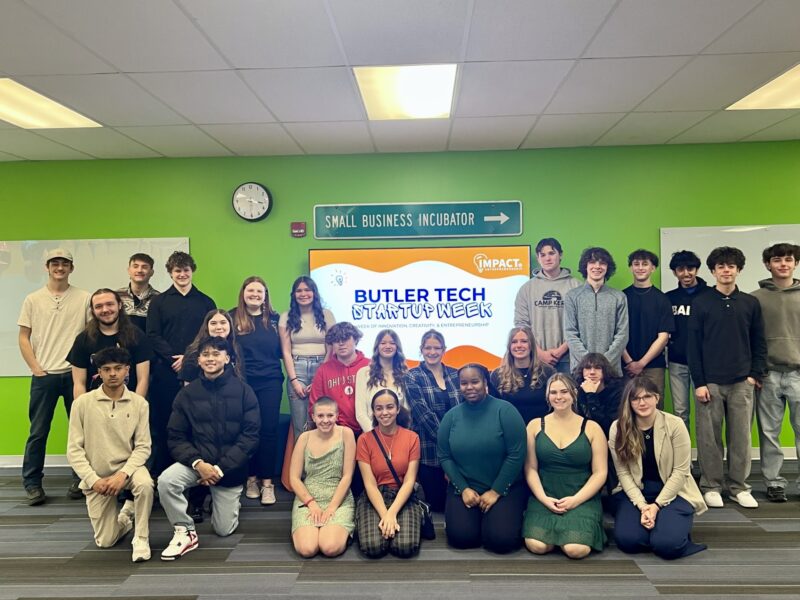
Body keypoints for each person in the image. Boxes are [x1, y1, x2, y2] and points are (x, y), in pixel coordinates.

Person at [158, 336, 260, 560]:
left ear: (227, 358)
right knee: (166, 481)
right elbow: (175, 436)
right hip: (197, 464)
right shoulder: (187, 394)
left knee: (224, 530)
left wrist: (219, 470)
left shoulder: (244, 392)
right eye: (205, 354)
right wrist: (198, 464)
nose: (210, 358)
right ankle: (184, 530)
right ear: (199, 360)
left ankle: (222, 500)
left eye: (216, 354)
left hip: (229, 470)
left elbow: (250, 437)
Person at [687, 246, 767, 509]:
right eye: (721, 266)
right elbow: (693, 346)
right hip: (709, 382)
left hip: (742, 381)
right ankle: (711, 485)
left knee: (741, 437)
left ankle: (739, 487)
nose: (726, 270)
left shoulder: (750, 303)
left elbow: (759, 342)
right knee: (709, 438)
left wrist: (754, 376)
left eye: (731, 266)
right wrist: (699, 382)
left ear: (738, 270)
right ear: (713, 271)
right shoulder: (700, 303)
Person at [67, 347, 153, 562]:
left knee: (145, 484)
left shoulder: (140, 404)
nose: (112, 374)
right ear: (99, 373)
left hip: (128, 470)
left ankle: (141, 537)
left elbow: (143, 447)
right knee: (105, 541)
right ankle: (125, 518)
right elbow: (74, 450)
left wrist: (122, 475)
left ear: (127, 370)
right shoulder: (82, 404)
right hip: (97, 476)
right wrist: (92, 480)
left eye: (118, 368)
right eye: (106, 369)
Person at [18, 248, 90, 505]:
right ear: (47, 267)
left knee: (80, 431)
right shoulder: (32, 299)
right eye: (55, 263)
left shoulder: (84, 298)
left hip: (75, 375)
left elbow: (90, 335)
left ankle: (80, 479)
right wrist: (36, 367)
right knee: (38, 432)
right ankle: (32, 483)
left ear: (72, 267)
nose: (59, 267)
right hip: (44, 375)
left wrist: (84, 368)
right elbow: (23, 336)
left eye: (65, 263)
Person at [609, 376, 707, 559]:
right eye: (635, 398)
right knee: (628, 541)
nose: (642, 402)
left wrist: (655, 507)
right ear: (629, 402)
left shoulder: (675, 425)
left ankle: (667, 530)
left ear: (657, 397)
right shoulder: (618, 428)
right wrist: (642, 505)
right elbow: (622, 472)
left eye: (647, 396)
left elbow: (680, 472)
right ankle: (659, 528)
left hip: (674, 491)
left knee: (667, 546)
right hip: (637, 492)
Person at [437, 364, 527, 553]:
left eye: (475, 382)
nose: (469, 387)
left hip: (502, 488)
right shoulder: (451, 416)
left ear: (485, 382)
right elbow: (444, 456)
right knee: (461, 539)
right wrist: (463, 489)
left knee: (501, 542)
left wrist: (496, 491)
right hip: (465, 489)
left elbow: (516, 454)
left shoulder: (505, 411)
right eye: (464, 383)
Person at [147, 251, 216, 477]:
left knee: (198, 423)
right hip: (165, 372)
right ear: (170, 273)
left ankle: (197, 475)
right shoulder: (158, 302)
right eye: (177, 270)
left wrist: (188, 358)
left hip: (198, 371)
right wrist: (173, 358)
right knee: (164, 423)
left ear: (192, 271)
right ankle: (163, 475)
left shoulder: (206, 302)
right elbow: (153, 334)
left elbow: (210, 334)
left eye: (186, 270)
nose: (182, 274)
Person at [523, 373, 607, 559]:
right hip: (545, 495)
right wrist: (544, 498)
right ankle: (556, 533)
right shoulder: (535, 426)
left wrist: (575, 500)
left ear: (574, 394)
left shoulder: (592, 428)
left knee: (576, 550)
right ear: (547, 396)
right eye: (553, 392)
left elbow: (600, 473)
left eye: (564, 391)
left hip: (581, 496)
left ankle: (570, 532)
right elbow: (530, 469)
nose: (558, 397)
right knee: (537, 546)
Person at [179, 308, 244, 522]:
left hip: (229, 416)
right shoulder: (193, 352)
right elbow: (187, 392)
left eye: (223, 323)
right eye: (214, 323)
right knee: (202, 454)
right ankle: (196, 502)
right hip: (201, 418)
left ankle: (223, 498)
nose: (219, 327)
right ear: (206, 327)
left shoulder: (236, 349)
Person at [751, 243, 800, 503]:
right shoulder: (755, 298)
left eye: (788, 259)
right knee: (769, 432)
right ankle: (774, 482)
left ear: (795, 263)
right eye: (777, 260)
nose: (783, 264)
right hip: (768, 374)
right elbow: (749, 338)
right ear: (768, 264)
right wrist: (756, 372)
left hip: (798, 374)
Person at [232, 276, 285, 506]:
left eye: (259, 291)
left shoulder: (275, 319)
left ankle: (267, 483)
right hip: (242, 382)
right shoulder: (232, 317)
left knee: (269, 431)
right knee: (247, 430)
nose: (255, 294)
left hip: (271, 381)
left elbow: (287, 350)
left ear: (265, 295)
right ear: (243, 293)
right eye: (250, 290)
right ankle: (250, 479)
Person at [355, 389, 422, 558]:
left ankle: (415, 516)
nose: (384, 412)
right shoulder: (364, 440)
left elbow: (409, 481)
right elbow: (369, 484)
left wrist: (392, 513)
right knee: (373, 547)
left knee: (405, 547)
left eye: (389, 407)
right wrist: (385, 515)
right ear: (374, 412)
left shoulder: (412, 437)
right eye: (379, 408)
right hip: (375, 496)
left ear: (398, 409)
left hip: (403, 496)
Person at [290, 397, 356, 558]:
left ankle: (335, 531)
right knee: (307, 549)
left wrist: (332, 507)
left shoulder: (346, 434)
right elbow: (294, 478)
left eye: (330, 415)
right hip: (308, 499)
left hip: (338, 498)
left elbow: (347, 476)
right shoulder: (304, 438)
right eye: (320, 416)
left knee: (329, 547)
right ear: (313, 417)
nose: (325, 420)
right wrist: (311, 504)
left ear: (337, 416)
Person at [405, 329, 461, 512]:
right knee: (438, 506)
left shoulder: (456, 375)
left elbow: (465, 411)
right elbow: (424, 416)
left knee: (460, 500)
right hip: (430, 453)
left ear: (444, 350)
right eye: (427, 348)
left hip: (461, 451)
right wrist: (450, 444)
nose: (432, 352)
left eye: (437, 348)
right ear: (421, 349)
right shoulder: (412, 376)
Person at [67, 288, 152, 399]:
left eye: (110, 304)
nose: (105, 310)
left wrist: (136, 408)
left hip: (129, 405)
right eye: (98, 306)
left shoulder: (137, 336)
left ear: (120, 305)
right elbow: (79, 384)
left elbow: (143, 380)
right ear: (92, 310)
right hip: (94, 407)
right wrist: (82, 411)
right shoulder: (83, 339)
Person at [279, 276, 336, 439]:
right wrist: (294, 381)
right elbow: (285, 351)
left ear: (314, 293)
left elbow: (331, 348)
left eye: (307, 290)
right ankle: (302, 465)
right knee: (301, 428)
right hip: (297, 369)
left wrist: (319, 377)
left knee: (324, 422)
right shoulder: (286, 316)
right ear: (294, 294)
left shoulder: (327, 315)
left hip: (322, 368)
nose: (303, 294)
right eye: (299, 291)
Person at [514, 238, 581, 373]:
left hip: (570, 358)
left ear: (560, 255)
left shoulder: (576, 286)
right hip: (537, 357)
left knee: (567, 394)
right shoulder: (527, 288)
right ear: (538, 258)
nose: (547, 258)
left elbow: (582, 324)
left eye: (551, 253)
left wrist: (561, 350)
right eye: (542, 255)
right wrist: (539, 352)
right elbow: (522, 324)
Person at [564, 247, 629, 377]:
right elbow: (570, 333)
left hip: (611, 371)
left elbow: (622, 334)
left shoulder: (619, 297)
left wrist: (603, 364)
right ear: (585, 266)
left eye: (602, 263)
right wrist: (587, 364)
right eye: (592, 262)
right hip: (580, 370)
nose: (597, 266)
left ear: (607, 268)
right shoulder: (572, 296)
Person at [665, 250, 708, 432]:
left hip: (705, 363)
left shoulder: (709, 296)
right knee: (680, 413)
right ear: (675, 272)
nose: (686, 273)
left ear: (696, 269)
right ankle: (684, 460)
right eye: (680, 269)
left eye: (690, 268)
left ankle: (707, 460)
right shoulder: (669, 298)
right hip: (677, 363)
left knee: (705, 412)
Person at [622, 249, 674, 398]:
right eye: (636, 264)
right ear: (631, 267)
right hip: (626, 366)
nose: (640, 268)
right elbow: (616, 334)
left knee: (654, 408)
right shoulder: (621, 297)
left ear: (653, 268)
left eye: (645, 264)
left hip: (654, 367)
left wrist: (641, 363)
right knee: (627, 408)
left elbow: (663, 337)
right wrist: (630, 362)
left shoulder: (662, 299)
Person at [308, 322, 370, 435]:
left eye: (345, 339)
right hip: (335, 430)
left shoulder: (370, 366)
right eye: (336, 340)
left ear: (355, 340)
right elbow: (315, 404)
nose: (341, 343)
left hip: (367, 428)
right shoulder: (323, 370)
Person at [489, 326, 556, 423]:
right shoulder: (497, 375)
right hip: (509, 430)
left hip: (542, 430)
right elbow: (493, 410)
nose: (519, 345)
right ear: (509, 346)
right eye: (514, 342)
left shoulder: (548, 372)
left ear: (531, 345)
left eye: (524, 341)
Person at [355, 329, 409, 432]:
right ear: (377, 347)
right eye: (383, 343)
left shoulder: (406, 374)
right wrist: (375, 436)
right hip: (371, 435)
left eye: (392, 343)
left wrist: (402, 435)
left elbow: (407, 410)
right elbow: (360, 414)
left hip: (400, 435)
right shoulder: (363, 373)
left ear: (397, 347)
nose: (387, 346)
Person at [574, 352, 625, 438]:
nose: (592, 372)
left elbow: (606, 426)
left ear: (605, 371)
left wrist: (591, 395)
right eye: (588, 368)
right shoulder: (580, 390)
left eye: (597, 368)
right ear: (582, 371)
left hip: (610, 436)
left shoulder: (617, 391)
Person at [117, 252, 160, 332]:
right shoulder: (116, 296)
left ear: (151, 272)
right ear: (129, 270)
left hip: (149, 344)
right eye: (135, 266)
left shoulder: (160, 299)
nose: (139, 270)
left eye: (144, 267)